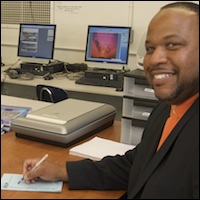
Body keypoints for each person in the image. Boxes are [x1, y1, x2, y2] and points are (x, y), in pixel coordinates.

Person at [22, 2, 199, 199]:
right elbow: (134, 164)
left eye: (172, 45)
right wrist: (61, 171)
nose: (155, 58)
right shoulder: (165, 110)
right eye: (150, 48)